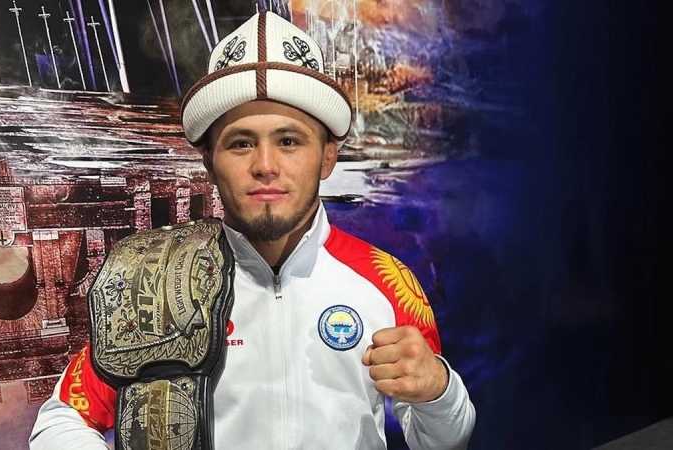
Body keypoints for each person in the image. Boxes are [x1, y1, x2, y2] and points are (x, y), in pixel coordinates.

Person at [30, 10, 475, 449]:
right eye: (241, 143)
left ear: (327, 157)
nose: (265, 165)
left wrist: (439, 391)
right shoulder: (154, 282)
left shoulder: (387, 283)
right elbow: (62, 418)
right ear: (209, 161)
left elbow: (443, 441)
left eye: (289, 141)